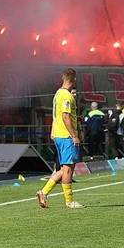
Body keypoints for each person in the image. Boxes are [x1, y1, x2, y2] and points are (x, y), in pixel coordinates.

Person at [36, 68, 83, 209]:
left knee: (64, 168)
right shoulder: (67, 96)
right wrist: (74, 135)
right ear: (73, 80)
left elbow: (55, 115)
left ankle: (43, 192)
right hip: (66, 136)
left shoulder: (57, 93)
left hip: (59, 134)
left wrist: (52, 130)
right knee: (68, 169)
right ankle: (69, 202)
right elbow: (65, 116)